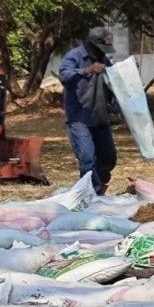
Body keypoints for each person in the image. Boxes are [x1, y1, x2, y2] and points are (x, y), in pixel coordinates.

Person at [57, 26, 117, 195]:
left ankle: (99, 184)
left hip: (100, 116)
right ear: (91, 44)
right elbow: (64, 75)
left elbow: (112, 82)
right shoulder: (74, 56)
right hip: (79, 118)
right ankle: (92, 196)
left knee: (108, 157)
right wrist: (86, 70)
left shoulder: (103, 58)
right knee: (87, 159)